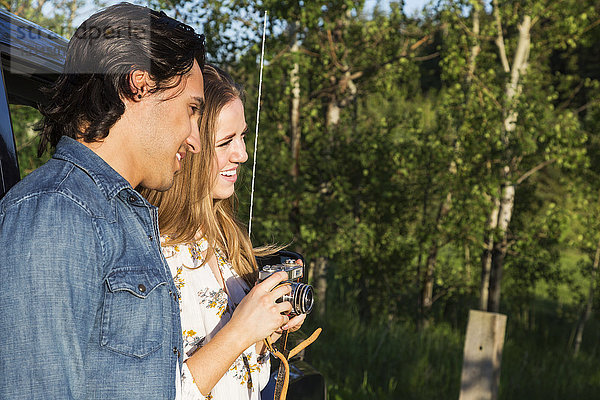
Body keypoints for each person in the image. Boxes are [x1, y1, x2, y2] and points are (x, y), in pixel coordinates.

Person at [0, 3, 209, 398]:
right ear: (140, 83)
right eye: (192, 109)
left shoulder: (122, 215)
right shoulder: (57, 213)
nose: (196, 140)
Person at [141, 65, 306, 399]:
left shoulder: (223, 241)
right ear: (187, 145)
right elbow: (159, 392)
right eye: (226, 141)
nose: (242, 154)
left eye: (243, 136)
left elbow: (240, 378)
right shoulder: (148, 255)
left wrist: (269, 326)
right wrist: (242, 329)